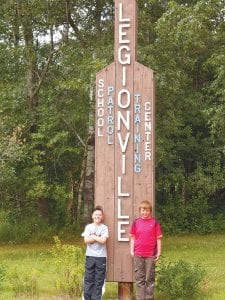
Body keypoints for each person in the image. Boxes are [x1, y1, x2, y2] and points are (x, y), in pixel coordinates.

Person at [130, 200, 162, 300]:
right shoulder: (136, 223)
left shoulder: (155, 223)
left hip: (150, 255)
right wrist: (132, 251)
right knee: (139, 279)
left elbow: (158, 238)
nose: (145, 212)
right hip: (138, 254)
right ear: (140, 211)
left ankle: (149, 298)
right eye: (143, 210)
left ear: (150, 211)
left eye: (147, 210)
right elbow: (133, 238)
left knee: (150, 279)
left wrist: (159, 252)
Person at [82, 205, 109, 300]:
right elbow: (86, 240)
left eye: (99, 215)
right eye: (95, 214)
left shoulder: (104, 228)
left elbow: (103, 241)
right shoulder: (88, 227)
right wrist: (98, 238)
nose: (97, 216)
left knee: (99, 280)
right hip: (90, 256)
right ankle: (87, 298)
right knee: (88, 279)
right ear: (92, 216)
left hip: (101, 257)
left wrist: (92, 236)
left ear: (102, 217)